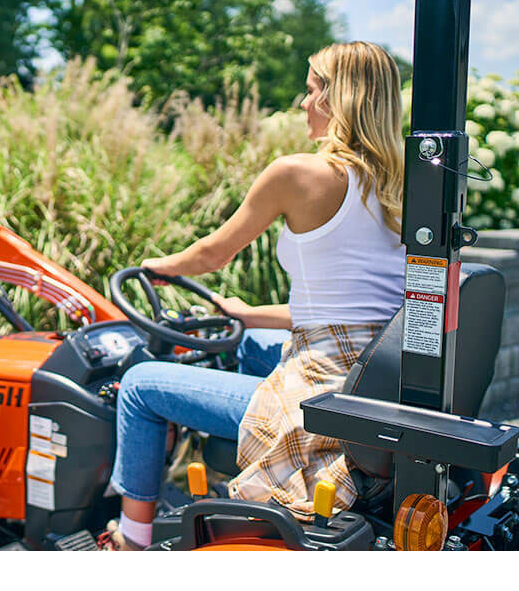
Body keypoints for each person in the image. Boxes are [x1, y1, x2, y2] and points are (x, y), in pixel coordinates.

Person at [105, 41, 406, 550]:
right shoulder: (399, 187)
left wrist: (160, 267)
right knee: (246, 342)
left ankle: (131, 541)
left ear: (338, 99)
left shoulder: (298, 174)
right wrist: (246, 314)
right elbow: (348, 310)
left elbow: (212, 254)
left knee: (138, 385)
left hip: (321, 391)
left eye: (311, 90)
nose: (303, 103)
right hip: (372, 375)